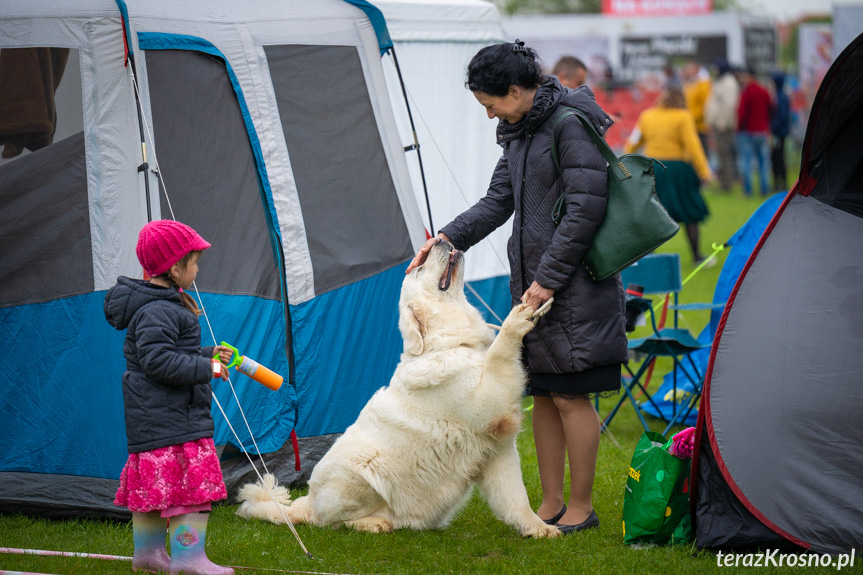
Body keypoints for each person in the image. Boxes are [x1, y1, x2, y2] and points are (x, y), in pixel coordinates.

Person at [406, 40, 628, 535]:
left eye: (491, 105)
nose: (489, 116)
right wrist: (445, 240)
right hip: (534, 286)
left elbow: (585, 211)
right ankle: (549, 503)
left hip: (574, 284)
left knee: (573, 396)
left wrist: (547, 280)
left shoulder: (570, 124)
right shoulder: (518, 128)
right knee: (545, 393)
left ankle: (582, 506)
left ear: (513, 90)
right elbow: (498, 200)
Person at [104, 219, 235, 575]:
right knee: (189, 491)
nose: (197, 269)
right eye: (194, 263)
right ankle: (189, 560)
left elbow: (173, 351)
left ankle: (147, 556)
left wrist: (207, 355)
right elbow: (159, 361)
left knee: (153, 490)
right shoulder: (159, 309)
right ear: (176, 268)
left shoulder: (158, 305)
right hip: (173, 420)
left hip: (155, 421)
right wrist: (206, 369)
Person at [624, 85, 714, 264]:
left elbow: (633, 142)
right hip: (678, 170)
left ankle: (647, 256)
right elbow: (693, 145)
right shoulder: (683, 116)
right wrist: (704, 171)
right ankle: (696, 256)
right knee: (690, 213)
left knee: (654, 212)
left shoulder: (647, 116)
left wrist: (625, 163)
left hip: (653, 169)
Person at [704, 58, 740, 191]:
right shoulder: (722, 81)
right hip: (719, 125)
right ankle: (724, 182)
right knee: (721, 154)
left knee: (724, 154)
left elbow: (729, 105)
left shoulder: (729, 83)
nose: (715, 71)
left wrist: (722, 122)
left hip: (724, 125)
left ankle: (726, 184)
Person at [736, 67, 773, 196]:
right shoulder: (764, 91)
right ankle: (764, 188)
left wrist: (739, 127)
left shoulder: (747, 92)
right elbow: (771, 108)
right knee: (764, 162)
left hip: (748, 131)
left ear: (749, 76)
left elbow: (742, 113)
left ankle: (748, 190)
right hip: (762, 131)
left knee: (746, 161)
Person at [682, 60, 713, 154]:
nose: (686, 71)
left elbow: (705, 105)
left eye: (689, 69)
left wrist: (692, 117)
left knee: (701, 153)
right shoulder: (690, 83)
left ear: (696, 69)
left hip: (700, 126)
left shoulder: (703, 83)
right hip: (691, 124)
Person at [769, 71, 791, 192]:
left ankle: (780, 183)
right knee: (777, 157)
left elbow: (781, 115)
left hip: (779, 133)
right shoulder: (780, 95)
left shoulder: (781, 97)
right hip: (780, 132)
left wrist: (772, 127)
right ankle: (779, 182)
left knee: (778, 158)